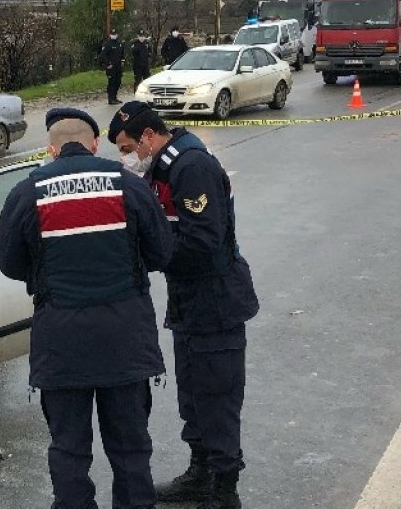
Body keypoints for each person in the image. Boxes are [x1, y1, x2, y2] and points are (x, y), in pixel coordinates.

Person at [0, 107, 174, 509]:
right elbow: (162, 252)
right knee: (130, 450)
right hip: (126, 343)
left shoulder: (28, 192)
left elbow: (7, 261)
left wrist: (44, 278)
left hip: (62, 346)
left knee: (70, 452)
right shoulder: (128, 185)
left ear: (51, 150)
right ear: (95, 145)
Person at [109, 102, 260, 509]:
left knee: (218, 395)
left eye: (127, 148)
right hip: (188, 299)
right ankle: (200, 472)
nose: (127, 157)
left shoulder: (189, 166)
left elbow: (202, 241)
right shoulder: (162, 167)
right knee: (192, 394)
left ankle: (224, 488)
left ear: (146, 137)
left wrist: (152, 255)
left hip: (216, 299)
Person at [99, 31, 126, 105]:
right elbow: (103, 55)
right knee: (111, 83)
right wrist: (108, 63)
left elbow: (122, 53)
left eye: (115, 34)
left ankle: (114, 97)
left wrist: (123, 61)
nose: (114, 36)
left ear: (117, 35)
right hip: (111, 68)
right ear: (110, 35)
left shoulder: (119, 44)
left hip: (118, 67)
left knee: (118, 82)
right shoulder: (107, 44)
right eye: (112, 35)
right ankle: (110, 99)